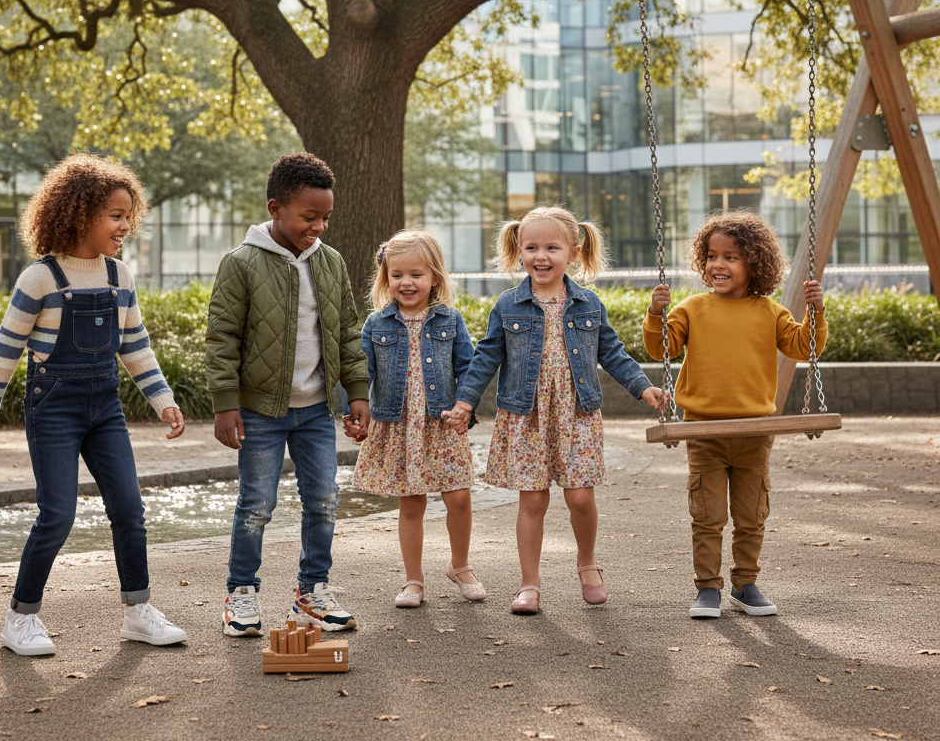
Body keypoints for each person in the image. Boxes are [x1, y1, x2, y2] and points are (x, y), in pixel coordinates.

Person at [0, 154, 187, 657]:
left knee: (130, 509)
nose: (125, 224)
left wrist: (162, 399)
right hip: (55, 409)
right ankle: (20, 618)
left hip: (105, 408)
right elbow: (5, 350)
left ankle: (138, 612)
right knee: (57, 514)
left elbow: (135, 345)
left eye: (128, 215)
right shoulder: (40, 279)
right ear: (79, 214)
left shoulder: (118, 275)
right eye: (114, 215)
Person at [455, 206, 664, 615]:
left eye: (552, 247)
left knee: (580, 497)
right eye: (531, 247)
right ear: (519, 250)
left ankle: (588, 564)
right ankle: (529, 584)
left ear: (573, 250)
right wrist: (466, 401)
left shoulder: (588, 304)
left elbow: (613, 353)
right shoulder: (508, 305)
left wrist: (643, 388)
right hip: (527, 415)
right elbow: (485, 358)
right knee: (532, 501)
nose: (541, 256)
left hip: (577, 414)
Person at [206, 152, 369, 637]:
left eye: (325, 218)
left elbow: (347, 332)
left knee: (323, 500)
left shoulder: (331, 262)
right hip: (260, 412)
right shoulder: (241, 264)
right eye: (308, 216)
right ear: (276, 208)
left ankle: (311, 593)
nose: (318, 226)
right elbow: (222, 338)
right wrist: (225, 404)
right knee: (256, 504)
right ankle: (241, 594)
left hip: (316, 411)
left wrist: (356, 390)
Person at [645, 210, 827, 620]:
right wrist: (656, 314)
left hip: (753, 433)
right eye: (711, 256)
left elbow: (803, 348)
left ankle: (746, 584)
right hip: (704, 432)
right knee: (707, 517)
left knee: (751, 516)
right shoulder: (692, 308)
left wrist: (815, 311)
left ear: (755, 263)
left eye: (731, 257)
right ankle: (707, 588)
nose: (718, 265)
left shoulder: (770, 312)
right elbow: (663, 350)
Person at [350, 230, 483, 608]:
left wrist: (466, 406)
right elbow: (363, 373)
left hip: (440, 424)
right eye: (397, 275)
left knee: (458, 496)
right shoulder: (377, 324)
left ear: (435, 278)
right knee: (411, 503)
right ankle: (413, 580)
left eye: (416, 274)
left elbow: (468, 367)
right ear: (386, 278)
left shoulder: (450, 320)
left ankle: (460, 565)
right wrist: (354, 410)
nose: (406, 282)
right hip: (398, 424)